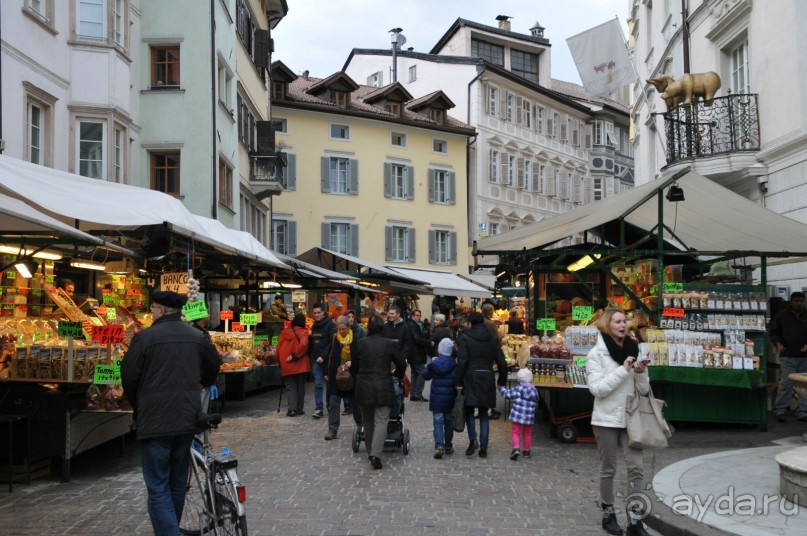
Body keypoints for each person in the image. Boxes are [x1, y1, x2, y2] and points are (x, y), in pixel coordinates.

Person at [121, 291, 221, 536]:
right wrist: (199, 384)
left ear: (162, 311)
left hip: (155, 422)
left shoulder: (144, 338)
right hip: (186, 419)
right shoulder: (197, 337)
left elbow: (129, 378)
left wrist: (140, 406)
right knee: (176, 484)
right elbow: (213, 369)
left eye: (153, 308)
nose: (152, 312)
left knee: (158, 486)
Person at [587, 307, 651, 536]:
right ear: (607, 325)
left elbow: (644, 390)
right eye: (617, 321)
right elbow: (597, 390)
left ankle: (635, 520)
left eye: (624, 321)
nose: (622, 325)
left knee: (637, 468)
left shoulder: (635, 349)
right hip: (606, 419)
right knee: (609, 469)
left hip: (631, 418)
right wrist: (624, 371)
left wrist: (641, 372)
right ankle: (608, 513)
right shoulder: (596, 354)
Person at [352, 314, 406, 470]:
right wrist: (396, 375)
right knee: (381, 421)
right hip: (383, 384)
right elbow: (401, 363)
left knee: (368, 422)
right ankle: (376, 454)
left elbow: (355, 365)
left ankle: (370, 452)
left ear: (368, 327)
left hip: (364, 385)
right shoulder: (388, 343)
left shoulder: (360, 343)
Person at [455, 311, 507, 458]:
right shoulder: (492, 339)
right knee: (484, 414)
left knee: (470, 412)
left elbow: (462, 361)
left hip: (470, 377)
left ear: (470, 323)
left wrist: (457, 380)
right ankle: (484, 447)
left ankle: (473, 440)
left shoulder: (465, 337)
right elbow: (502, 362)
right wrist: (501, 381)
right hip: (487, 376)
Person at [771, 291, 807, 422]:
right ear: (791, 302)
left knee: (804, 386)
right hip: (787, 355)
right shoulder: (782, 316)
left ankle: (803, 411)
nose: (799, 303)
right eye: (796, 301)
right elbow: (774, 332)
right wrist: (778, 343)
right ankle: (780, 410)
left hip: (805, 356)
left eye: (801, 301)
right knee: (786, 383)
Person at [422, 338, 457, 459]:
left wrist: (431, 363)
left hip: (437, 397)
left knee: (437, 422)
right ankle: (448, 445)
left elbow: (425, 376)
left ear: (440, 350)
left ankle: (439, 445)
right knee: (448, 422)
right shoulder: (454, 363)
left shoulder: (434, 363)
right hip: (450, 397)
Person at [324, 316, 358, 439]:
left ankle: (361, 426)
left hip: (352, 375)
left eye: (343, 329)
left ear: (348, 327)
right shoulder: (335, 339)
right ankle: (332, 429)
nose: (341, 332)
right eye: (339, 329)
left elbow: (360, 356)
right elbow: (330, 356)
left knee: (356, 403)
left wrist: (352, 361)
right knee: (333, 402)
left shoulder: (356, 339)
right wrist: (327, 372)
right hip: (336, 375)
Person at [499, 367, 539, 460]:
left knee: (515, 432)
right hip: (529, 416)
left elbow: (507, 394)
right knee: (527, 432)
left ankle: (516, 448)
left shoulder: (517, 389)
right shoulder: (534, 390)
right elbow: (537, 399)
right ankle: (526, 451)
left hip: (517, 415)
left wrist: (501, 388)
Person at [277, 313, 310, 417]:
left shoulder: (284, 333)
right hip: (300, 365)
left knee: (291, 387)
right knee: (300, 387)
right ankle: (299, 409)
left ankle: (291, 409)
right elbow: (304, 344)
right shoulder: (303, 332)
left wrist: (280, 362)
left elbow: (278, 350)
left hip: (286, 363)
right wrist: (295, 355)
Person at [309, 303, 336, 419]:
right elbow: (314, 342)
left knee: (329, 385)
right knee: (318, 384)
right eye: (315, 313)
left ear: (323, 312)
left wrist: (323, 356)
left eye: (319, 312)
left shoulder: (330, 325)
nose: (317, 315)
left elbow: (332, 342)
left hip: (327, 360)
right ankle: (319, 408)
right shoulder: (314, 325)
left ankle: (330, 406)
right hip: (316, 359)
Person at [381, 304, 412, 392]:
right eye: (389, 314)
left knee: (397, 381)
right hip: (386, 359)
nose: (390, 315)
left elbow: (407, 343)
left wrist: (402, 357)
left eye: (392, 314)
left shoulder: (405, 327)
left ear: (398, 315)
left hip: (399, 360)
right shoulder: (385, 326)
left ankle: (399, 401)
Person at [407, 309, 431, 401]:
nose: (419, 317)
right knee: (422, 372)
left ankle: (413, 394)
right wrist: (428, 343)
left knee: (414, 373)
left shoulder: (416, 324)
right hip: (416, 353)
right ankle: (417, 393)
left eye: (420, 315)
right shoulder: (412, 325)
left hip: (413, 353)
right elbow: (417, 339)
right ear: (412, 316)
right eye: (417, 315)